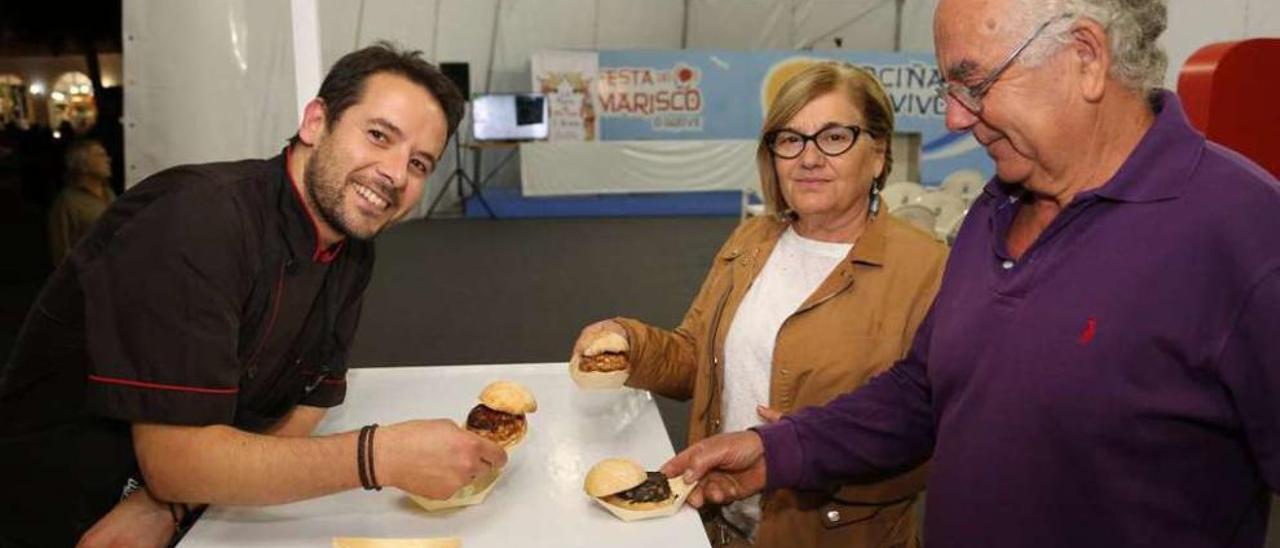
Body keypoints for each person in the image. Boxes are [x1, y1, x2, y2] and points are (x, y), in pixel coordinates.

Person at [662, 1, 1280, 547]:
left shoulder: (1246, 235)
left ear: (1086, 56)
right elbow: (925, 391)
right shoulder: (995, 208)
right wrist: (779, 449)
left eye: (974, 83)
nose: (955, 119)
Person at [0, 43, 508, 548]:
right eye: (379, 135)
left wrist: (171, 502)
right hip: (63, 509)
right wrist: (379, 457)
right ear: (315, 122)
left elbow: (310, 403)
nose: (396, 174)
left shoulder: (350, 250)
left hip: (185, 511)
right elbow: (176, 460)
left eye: (419, 163)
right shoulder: (199, 217)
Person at [572, 61, 947, 547]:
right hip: (718, 526)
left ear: (877, 154)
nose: (807, 158)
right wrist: (630, 343)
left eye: (833, 137)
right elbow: (696, 361)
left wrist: (800, 444)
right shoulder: (752, 238)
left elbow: (927, 425)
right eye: (789, 139)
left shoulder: (929, 270)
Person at [48, 138, 116, 265]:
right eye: (100, 155)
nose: (108, 159)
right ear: (83, 165)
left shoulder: (110, 194)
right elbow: (61, 251)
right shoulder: (67, 202)